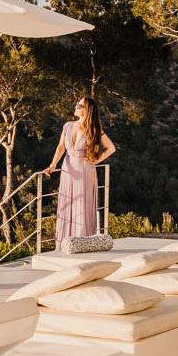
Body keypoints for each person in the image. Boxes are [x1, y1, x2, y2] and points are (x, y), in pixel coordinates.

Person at [46, 95, 116, 244]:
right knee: (68, 204)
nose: (76, 107)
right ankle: (65, 242)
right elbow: (60, 147)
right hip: (68, 170)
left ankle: (82, 243)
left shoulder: (94, 128)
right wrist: (53, 165)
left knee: (82, 206)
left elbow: (111, 148)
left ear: (87, 110)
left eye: (80, 105)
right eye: (77, 104)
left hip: (85, 170)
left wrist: (96, 160)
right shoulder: (68, 125)